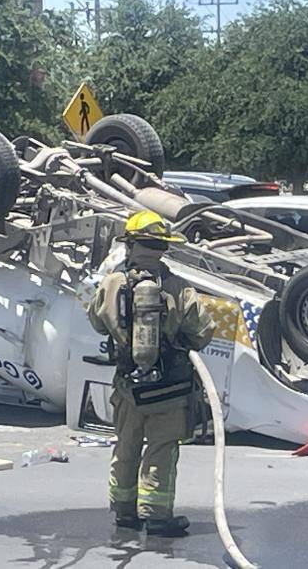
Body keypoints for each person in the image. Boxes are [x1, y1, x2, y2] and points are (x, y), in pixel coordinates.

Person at [87, 210, 215, 537]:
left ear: (130, 245)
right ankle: (157, 516)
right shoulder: (178, 287)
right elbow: (203, 332)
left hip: (128, 385)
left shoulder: (112, 282)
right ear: (163, 248)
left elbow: (97, 322)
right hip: (169, 391)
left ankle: (124, 511)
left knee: (125, 446)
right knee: (162, 449)